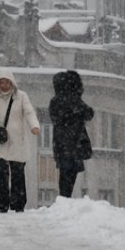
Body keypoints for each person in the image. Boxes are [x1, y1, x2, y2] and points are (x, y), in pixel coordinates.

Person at [0, 70, 41, 213]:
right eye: (2, 82)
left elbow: (29, 112)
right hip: (0, 140)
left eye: (7, 82)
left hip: (18, 141)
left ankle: (18, 204)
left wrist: (34, 125)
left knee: (18, 174)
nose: (4, 85)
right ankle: (2, 204)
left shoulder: (21, 97)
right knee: (1, 173)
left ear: (12, 83)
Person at [49, 70, 94, 198]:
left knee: (66, 172)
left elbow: (56, 119)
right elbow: (89, 114)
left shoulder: (58, 100)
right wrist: (75, 112)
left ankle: (64, 198)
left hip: (64, 142)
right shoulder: (73, 100)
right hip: (73, 142)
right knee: (69, 172)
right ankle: (64, 198)